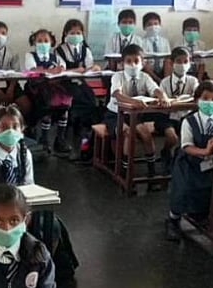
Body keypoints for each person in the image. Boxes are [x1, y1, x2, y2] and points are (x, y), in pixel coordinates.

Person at [166, 80, 213, 240]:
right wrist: (204, 151)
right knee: (184, 190)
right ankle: (173, 219)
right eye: (205, 98)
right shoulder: (189, 121)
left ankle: (208, 215)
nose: (210, 102)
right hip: (189, 162)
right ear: (197, 100)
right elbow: (186, 146)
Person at [104, 44, 171, 177]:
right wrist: (134, 101)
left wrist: (162, 96)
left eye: (136, 61)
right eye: (128, 61)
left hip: (134, 115)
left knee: (146, 134)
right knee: (128, 134)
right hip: (116, 115)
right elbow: (117, 94)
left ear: (143, 63)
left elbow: (155, 89)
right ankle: (126, 171)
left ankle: (151, 171)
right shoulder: (117, 76)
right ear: (122, 63)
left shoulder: (145, 77)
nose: (133, 65)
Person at [143, 46, 200, 169]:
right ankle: (166, 150)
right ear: (172, 63)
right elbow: (162, 101)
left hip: (186, 116)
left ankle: (179, 158)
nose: (182, 65)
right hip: (167, 117)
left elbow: (197, 96)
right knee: (172, 136)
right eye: (179, 61)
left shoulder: (193, 81)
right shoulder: (165, 82)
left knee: (189, 135)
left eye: (186, 62)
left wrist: (181, 102)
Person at [55, 18, 102, 155]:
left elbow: (89, 66)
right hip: (65, 82)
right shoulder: (60, 50)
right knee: (78, 97)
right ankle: (78, 124)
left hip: (82, 81)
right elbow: (61, 70)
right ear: (65, 33)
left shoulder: (85, 49)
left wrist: (94, 68)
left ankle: (86, 128)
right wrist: (76, 70)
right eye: (72, 32)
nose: (75, 36)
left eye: (78, 32)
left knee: (91, 99)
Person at [23, 29, 71, 152]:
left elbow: (62, 68)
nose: (43, 43)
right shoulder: (30, 55)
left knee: (65, 106)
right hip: (37, 88)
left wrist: (56, 70)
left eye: (46, 41)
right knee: (47, 108)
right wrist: (49, 71)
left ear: (51, 43)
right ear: (34, 42)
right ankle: (44, 139)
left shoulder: (55, 56)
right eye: (39, 41)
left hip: (54, 87)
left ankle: (60, 138)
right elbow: (32, 70)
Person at [141, 12, 172, 82]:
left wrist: (165, 81)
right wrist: (157, 79)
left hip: (164, 72)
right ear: (144, 27)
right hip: (148, 73)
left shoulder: (165, 41)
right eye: (149, 24)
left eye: (156, 24)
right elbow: (144, 65)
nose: (153, 27)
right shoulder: (141, 42)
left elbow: (168, 61)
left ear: (160, 25)